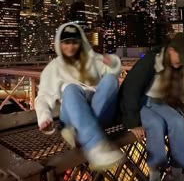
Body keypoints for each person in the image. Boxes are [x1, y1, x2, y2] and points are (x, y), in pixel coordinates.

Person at [35, 22, 125, 170]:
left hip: (97, 110)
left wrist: (112, 62)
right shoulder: (54, 67)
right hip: (71, 115)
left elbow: (113, 67)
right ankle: (96, 145)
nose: (70, 47)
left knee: (110, 80)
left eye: (74, 42)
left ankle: (84, 134)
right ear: (59, 44)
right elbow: (43, 96)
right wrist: (45, 118)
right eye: (66, 43)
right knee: (70, 88)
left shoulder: (92, 60)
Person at [118, 33, 184, 181]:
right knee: (155, 124)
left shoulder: (177, 67)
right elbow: (130, 89)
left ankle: (176, 175)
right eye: (181, 57)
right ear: (171, 50)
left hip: (158, 102)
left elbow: (176, 95)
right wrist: (133, 124)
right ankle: (155, 180)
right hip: (140, 101)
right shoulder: (150, 60)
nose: (181, 62)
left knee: (177, 122)